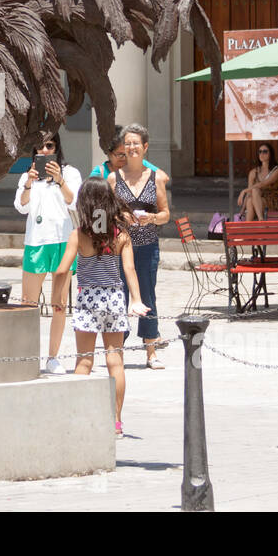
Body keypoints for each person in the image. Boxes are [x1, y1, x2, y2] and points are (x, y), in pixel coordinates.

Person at [52, 177, 149, 436]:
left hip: (87, 300)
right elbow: (129, 269)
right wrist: (136, 300)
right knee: (115, 361)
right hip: (114, 298)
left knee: (84, 360)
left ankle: (77, 417)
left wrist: (56, 298)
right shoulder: (121, 235)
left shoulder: (79, 235)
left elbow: (62, 271)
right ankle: (115, 421)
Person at [16, 131, 83, 374]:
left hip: (62, 242)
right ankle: (27, 354)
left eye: (49, 146)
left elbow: (74, 201)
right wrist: (29, 184)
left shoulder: (71, 173)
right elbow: (20, 206)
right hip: (36, 242)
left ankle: (53, 357)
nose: (44, 151)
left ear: (57, 148)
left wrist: (60, 180)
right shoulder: (27, 175)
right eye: (40, 147)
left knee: (59, 304)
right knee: (28, 303)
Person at [107, 123, 170, 369]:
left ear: (145, 147)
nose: (132, 147)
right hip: (120, 246)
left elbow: (166, 214)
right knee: (118, 295)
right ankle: (117, 349)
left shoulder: (156, 178)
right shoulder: (114, 178)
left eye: (136, 143)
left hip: (146, 245)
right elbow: (105, 212)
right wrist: (118, 218)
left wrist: (152, 218)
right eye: (128, 143)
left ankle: (151, 351)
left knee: (147, 294)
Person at [90, 125, 159, 180]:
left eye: (128, 153)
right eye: (120, 155)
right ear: (108, 152)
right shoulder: (99, 174)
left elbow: (162, 177)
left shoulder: (142, 165)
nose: (125, 158)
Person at [238, 144, 278, 220]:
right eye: (260, 151)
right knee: (250, 199)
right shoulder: (253, 172)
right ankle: (259, 220)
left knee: (255, 190)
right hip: (258, 204)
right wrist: (242, 210)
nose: (261, 154)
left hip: (274, 204)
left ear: (271, 154)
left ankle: (252, 224)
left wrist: (243, 191)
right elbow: (249, 193)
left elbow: (263, 184)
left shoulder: (277, 170)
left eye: (265, 151)